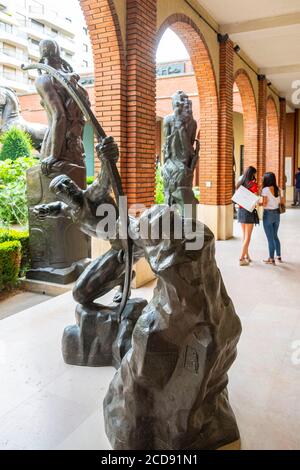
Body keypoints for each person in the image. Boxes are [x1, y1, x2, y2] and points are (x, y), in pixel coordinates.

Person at [236, 166, 259, 266]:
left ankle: (246, 255)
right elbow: (255, 200)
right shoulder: (253, 185)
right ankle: (241, 258)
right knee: (248, 237)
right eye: (255, 173)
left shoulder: (240, 183)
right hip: (248, 211)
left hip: (240, 210)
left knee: (244, 236)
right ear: (252, 174)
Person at [261, 172, 285, 265]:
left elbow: (265, 204)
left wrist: (258, 203)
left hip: (268, 215)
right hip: (277, 214)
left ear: (266, 180)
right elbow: (283, 202)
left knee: (270, 238)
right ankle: (278, 256)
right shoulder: (279, 189)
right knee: (275, 236)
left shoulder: (265, 190)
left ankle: (271, 258)